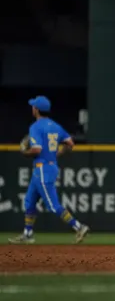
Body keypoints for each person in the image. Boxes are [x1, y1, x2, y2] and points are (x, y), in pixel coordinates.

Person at [8, 96, 90, 244]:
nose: (32, 108)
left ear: (36, 110)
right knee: (29, 201)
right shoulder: (55, 126)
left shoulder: (35, 127)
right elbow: (70, 143)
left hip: (42, 169)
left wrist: (24, 153)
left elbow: (36, 150)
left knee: (53, 205)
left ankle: (79, 226)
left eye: (33, 106)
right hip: (47, 167)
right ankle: (28, 233)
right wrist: (57, 153)